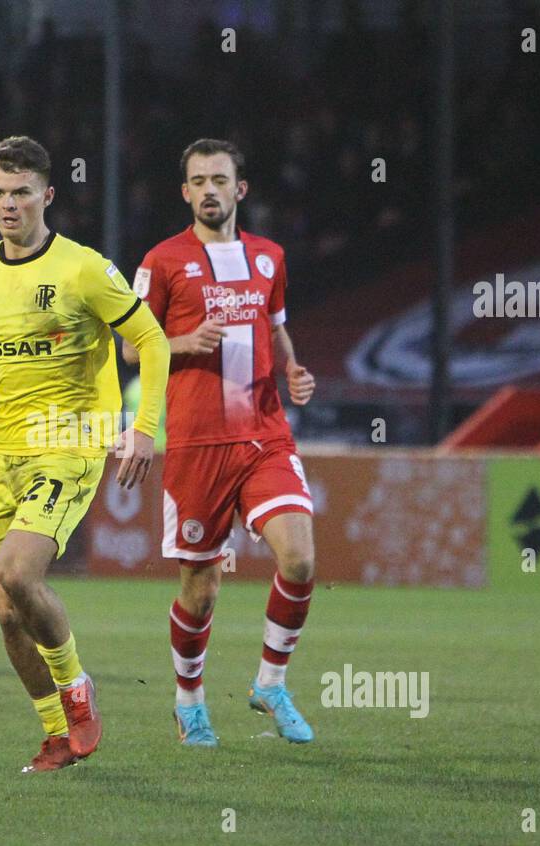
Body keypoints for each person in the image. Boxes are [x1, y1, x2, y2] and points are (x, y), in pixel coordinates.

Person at [0, 136, 170, 772]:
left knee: (22, 574)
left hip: (72, 440)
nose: (8, 204)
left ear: (47, 195)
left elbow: (152, 339)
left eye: (21, 192)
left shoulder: (83, 269)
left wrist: (145, 426)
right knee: (5, 609)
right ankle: (55, 732)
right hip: (4, 450)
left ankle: (78, 695)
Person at [123, 139, 317, 747]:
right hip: (197, 445)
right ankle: (189, 703)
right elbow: (131, 347)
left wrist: (293, 370)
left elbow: (277, 328)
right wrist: (181, 344)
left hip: (264, 434)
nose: (209, 189)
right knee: (200, 592)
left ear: (241, 189)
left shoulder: (269, 259)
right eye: (198, 180)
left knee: (301, 558)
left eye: (220, 179)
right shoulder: (161, 261)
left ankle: (271, 683)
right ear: (185, 192)